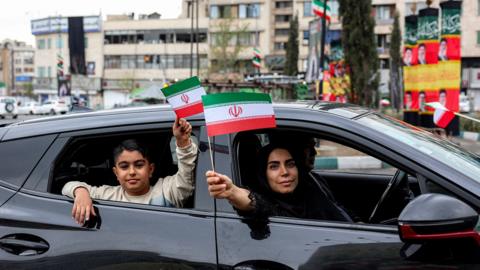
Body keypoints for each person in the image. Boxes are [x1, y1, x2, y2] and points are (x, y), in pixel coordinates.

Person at [62, 117, 197, 225]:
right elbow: (67, 186)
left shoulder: (168, 190)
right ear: (116, 173)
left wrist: (182, 142)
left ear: (150, 169)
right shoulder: (109, 195)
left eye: (138, 165)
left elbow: (186, 170)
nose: (132, 172)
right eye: (124, 166)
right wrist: (81, 193)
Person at [206, 142, 352, 222]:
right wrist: (232, 192)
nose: (285, 172)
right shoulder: (270, 206)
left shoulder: (311, 191)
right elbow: (255, 203)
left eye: (290, 164)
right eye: (274, 166)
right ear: (263, 174)